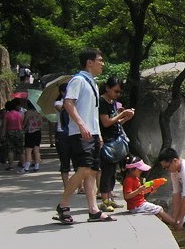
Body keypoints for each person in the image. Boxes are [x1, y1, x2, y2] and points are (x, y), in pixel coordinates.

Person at [54, 48, 114, 224]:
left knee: (92, 171)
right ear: (90, 62)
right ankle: (63, 204)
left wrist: (98, 134)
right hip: (80, 134)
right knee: (85, 169)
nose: (102, 64)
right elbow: (68, 103)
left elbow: (92, 113)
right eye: (100, 60)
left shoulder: (92, 83)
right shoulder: (78, 80)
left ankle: (93, 210)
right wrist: (81, 124)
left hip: (92, 133)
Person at [98, 77, 135, 211]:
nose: (118, 94)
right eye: (116, 91)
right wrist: (122, 114)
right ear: (108, 88)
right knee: (106, 172)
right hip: (107, 141)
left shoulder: (112, 102)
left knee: (113, 172)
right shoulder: (101, 102)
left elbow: (116, 124)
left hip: (115, 139)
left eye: (120, 92)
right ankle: (104, 201)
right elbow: (106, 122)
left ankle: (109, 199)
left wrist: (125, 117)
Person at [122, 156, 176, 225]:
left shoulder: (136, 178)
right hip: (136, 206)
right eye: (140, 170)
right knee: (159, 209)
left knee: (156, 213)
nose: (141, 172)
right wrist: (138, 190)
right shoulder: (129, 180)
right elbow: (126, 196)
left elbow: (140, 193)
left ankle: (162, 224)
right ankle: (174, 223)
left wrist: (150, 190)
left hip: (139, 204)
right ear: (132, 169)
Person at [3, 100, 24, 172]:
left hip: (10, 132)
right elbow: (22, 123)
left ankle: (11, 165)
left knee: (10, 150)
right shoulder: (19, 114)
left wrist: (2, 135)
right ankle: (23, 164)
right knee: (21, 149)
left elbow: (4, 126)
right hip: (19, 132)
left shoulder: (6, 115)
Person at [22, 102, 43, 172]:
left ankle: (26, 167)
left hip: (30, 132)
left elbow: (25, 122)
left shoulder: (28, 112)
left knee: (28, 150)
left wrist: (23, 126)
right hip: (38, 131)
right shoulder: (40, 112)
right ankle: (37, 166)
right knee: (36, 150)